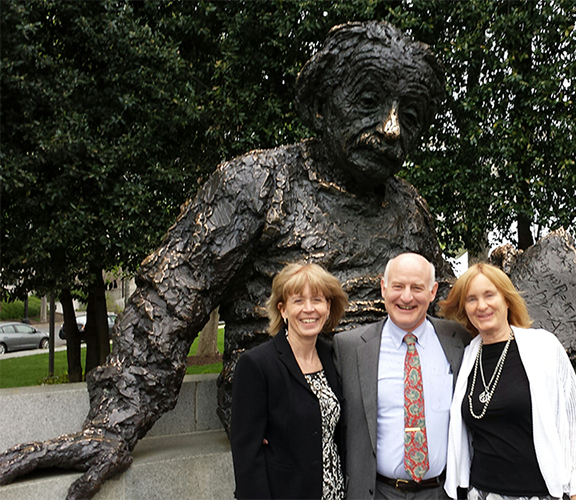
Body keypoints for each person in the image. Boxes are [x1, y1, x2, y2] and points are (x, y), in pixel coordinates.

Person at [0, 22, 451, 499]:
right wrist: (112, 423)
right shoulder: (256, 184)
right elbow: (171, 298)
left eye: (412, 116)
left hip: (382, 422)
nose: (391, 128)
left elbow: (447, 311)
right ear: (319, 107)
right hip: (281, 410)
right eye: (369, 102)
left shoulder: (409, 208)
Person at [439, 263, 576, 500]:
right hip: (481, 493)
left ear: (506, 299)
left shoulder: (543, 346)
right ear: (465, 308)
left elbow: (575, 421)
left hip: (540, 493)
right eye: (471, 299)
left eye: (489, 295)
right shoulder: (467, 355)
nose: (482, 306)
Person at [333, 253, 471, 500]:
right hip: (378, 493)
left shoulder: (458, 340)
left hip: (442, 493)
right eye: (398, 286)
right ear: (383, 288)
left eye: (417, 287)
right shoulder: (349, 347)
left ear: (432, 291)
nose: (406, 297)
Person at [230, 263, 348, 500]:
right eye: (298, 301)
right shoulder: (257, 365)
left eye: (317, 300)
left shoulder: (332, 356)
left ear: (328, 307)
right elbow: (246, 456)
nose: (309, 309)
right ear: (283, 310)